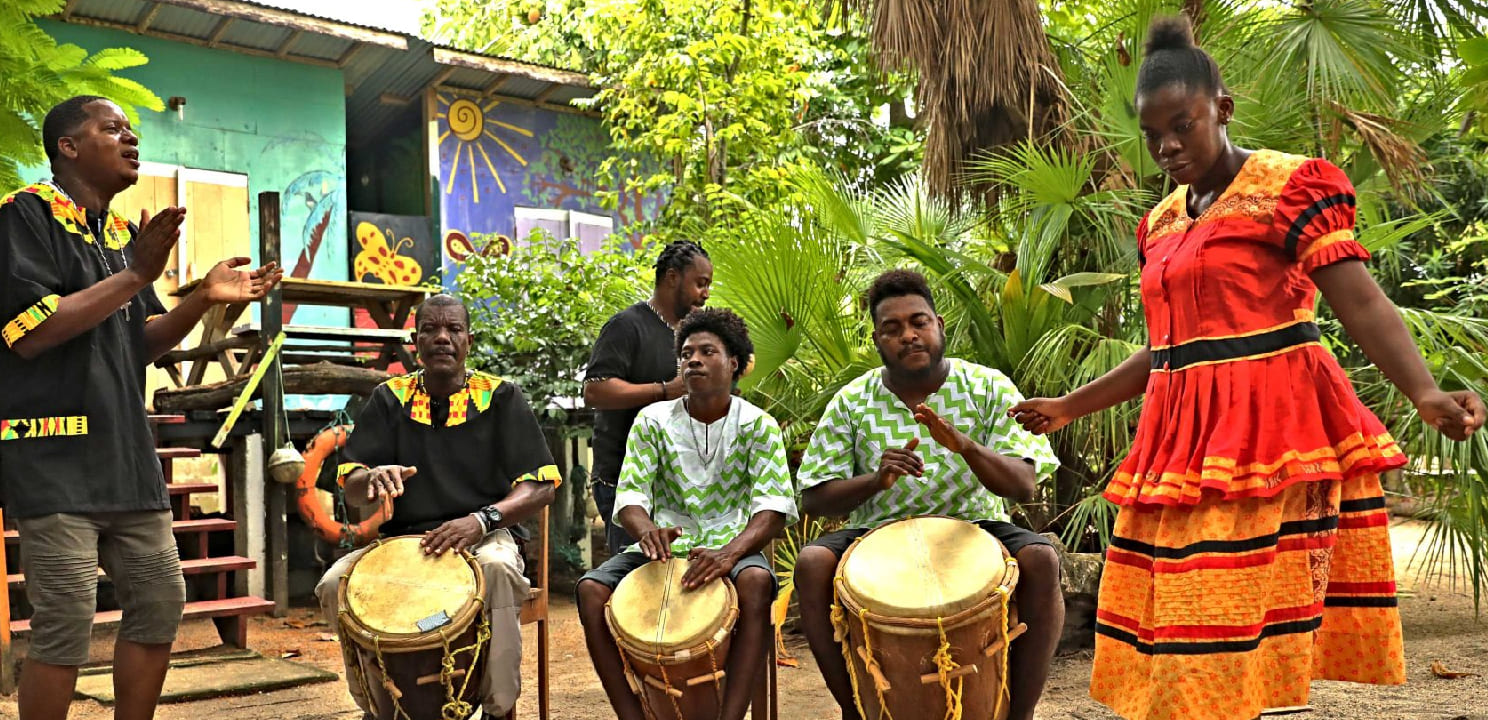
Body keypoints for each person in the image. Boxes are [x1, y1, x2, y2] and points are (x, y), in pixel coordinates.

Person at [1007, 17, 1486, 720]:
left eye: (1183, 125)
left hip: (1266, 432)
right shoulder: (1162, 222)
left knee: (1220, 623)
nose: (1167, 147)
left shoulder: (1291, 186)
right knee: (1178, 630)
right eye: (1152, 135)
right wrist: (1070, 406)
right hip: (1178, 442)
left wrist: (1422, 392)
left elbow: (1358, 299)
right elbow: (1170, 347)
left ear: (1221, 109)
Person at [0, 95, 281, 720]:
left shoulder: (120, 238)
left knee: (160, 601)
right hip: (50, 454)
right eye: (112, 128)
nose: (130, 139)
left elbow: (142, 341)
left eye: (132, 130)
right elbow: (31, 331)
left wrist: (201, 299)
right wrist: (139, 274)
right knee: (65, 616)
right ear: (68, 146)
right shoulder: (22, 218)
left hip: (124, 456)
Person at [795, 270, 1065, 720]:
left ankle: (1019, 714)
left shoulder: (987, 386)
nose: (908, 335)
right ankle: (855, 709)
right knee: (812, 562)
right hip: (875, 534)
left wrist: (967, 447)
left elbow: (1022, 484)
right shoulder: (851, 401)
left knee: (1042, 558)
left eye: (918, 322)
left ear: (939, 324)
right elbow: (815, 498)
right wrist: (873, 481)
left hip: (975, 525)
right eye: (892, 328)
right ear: (877, 339)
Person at [313, 295, 559, 720]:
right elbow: (350, 484)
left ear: (469, 340)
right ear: (416, 340)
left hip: (484, 536)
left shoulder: (501, 397)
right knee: (335, 584)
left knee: (499, 571)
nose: (441, 337)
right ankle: (377, 702)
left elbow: (541, 486)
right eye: (430, 329)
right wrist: (369, 480)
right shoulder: (389, 398)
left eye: (453, 329)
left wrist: (483, 519)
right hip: (406, 542)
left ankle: (499, 708)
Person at [577, 308, 794, 720]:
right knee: (590, 589)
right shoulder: (652, 420)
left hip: (732, 545)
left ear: (733, 363)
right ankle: (631, 715)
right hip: (664, 551)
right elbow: (631, 496)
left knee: (755, 581)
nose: (692, 360)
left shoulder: (758, 426)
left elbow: (773, 507)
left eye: (706, 351)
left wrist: (730, 554)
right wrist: (646, 531)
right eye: (687, 353)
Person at [584, 240, 714, 553]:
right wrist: (665, 390)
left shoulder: (697, 332)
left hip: (681, 486)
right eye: (700, 283)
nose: (706, 293)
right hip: (625, 484)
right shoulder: (627, 326)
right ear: (672, 277)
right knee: (636, 583)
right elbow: (595, 391)